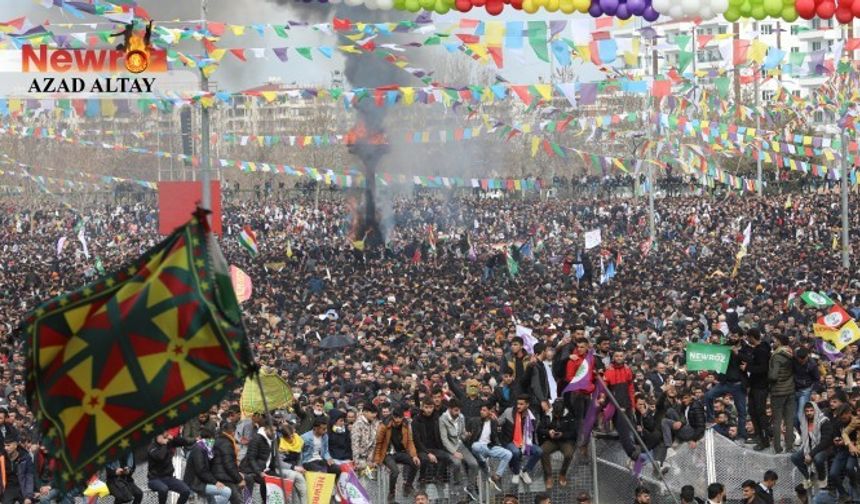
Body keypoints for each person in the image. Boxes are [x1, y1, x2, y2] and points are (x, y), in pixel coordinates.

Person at [704, 332, 749, 440]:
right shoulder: (725, 347)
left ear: (740, 337)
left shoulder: (745, 348)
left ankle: (741, 435)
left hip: (738, 385)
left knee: (742, 412)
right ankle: (710, 420)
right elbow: (715, 354)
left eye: (735, 335)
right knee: (708, 395)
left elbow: (749, 359)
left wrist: (737, 353)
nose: (733, 337)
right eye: (731, 335)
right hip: (725, 383)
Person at [373, 407, 419, 502]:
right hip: (387, 453)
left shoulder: (406, 424)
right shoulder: (383, 425)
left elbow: (410, 441)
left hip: (400, 452)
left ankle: (408, 486)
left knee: (416, 463)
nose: (398, 423)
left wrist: (414, 455)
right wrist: (377, 459)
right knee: (395, 471)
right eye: (396, 421)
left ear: (402, 418)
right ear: (393, 417)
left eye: (400, 421)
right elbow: (378, 444)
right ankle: (391, 492)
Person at [604, 350, 641, 462]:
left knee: (633, 429)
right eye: (617, 355)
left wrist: (633, 405)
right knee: (623, 430)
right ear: (613, 357)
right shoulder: (609, 372)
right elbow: (604, 391)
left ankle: (636, 461)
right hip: (616, 406)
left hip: (627, 404)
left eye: (621, 356)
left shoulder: (627, 370)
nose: (619, 357)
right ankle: (632, 455)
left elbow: (630, 389)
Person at [438, 398, 479, 498]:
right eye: (456, 410)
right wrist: (454, 452)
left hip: (460, 445)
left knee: (474, 464)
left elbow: (461, 434)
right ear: (450, 409)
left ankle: (470, 487)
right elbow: (444, 439)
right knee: (457, 463)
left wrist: (467, 435)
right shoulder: (442, 419)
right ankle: (457, 484)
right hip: (448, 448)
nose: (458, 412)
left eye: (459, 410)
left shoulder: (461, 417)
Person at [500, 395, 543, 486]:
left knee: (539, 451)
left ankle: (525, 471)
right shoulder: (509, 411)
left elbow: (533, 431)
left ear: (527, 405)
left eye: (521, 404)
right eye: (518, 403)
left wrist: (526, 442)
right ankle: (516, 472)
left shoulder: (532, 416)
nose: (518, 406)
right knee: (515, 452)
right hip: (510, 441)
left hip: (525, 442)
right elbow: (499, 422)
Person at [468, 402, 511, 491]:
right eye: (481, 410)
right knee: (474, 446)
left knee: (508, 454)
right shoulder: (476, 421)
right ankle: (483, 461)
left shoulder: (494, 422)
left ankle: (496, 477)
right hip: (479, 447)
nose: (481, 412)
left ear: (489, 412)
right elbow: (469, 432)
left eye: (484, 410)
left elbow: (499, 436)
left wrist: (497, 423)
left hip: (489, 447)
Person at [183, 426, 233, 504]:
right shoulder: (198, 449)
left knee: (228, 500)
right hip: (196, 484)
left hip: (203, 482)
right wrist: (215, 482)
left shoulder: (207, 449)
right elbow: (201, 471)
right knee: (226, 492)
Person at [791, 402, 832, 489]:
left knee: (818, 458)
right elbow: (805, 438)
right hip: (809, 446)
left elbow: (825, 441)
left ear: (815, 410)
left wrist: (810, 454)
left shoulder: (824, 421)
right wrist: (807, 451)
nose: (809, 413)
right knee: (795, 457)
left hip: (824, 448)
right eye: (807, 411)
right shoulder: (804, 421)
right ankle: (808, 477)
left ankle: (822, 478)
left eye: (811, 410)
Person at [412, 397, 450, 487]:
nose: (429, 410)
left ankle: (438, 477)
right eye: (426, 407)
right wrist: (428, 453)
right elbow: (417, 440)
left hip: (435, 448)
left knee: (446, 456)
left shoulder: (437, 419)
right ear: (422, 407)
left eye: (431, 407)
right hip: (422, 449)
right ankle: (422, 478)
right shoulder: (416, 420)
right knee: (424, 459)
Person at [146, 431, 192, 504]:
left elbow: (184, 442)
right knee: (164, 489)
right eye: (161, 436)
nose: (163, 438)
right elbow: (160, 457)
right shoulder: (152, 447)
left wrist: (173, 437)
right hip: (154, 479)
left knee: (186, 490)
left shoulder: (168, 443)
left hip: (168, 478)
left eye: (164, 435)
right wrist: (165, 444)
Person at [744, 329, 771, 451]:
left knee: (760, 414)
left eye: (748, 337)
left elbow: (763, 368)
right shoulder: (758, 349)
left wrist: (748, 367)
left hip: (761, 387)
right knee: (752, 412)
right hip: (754, 387)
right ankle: (758, 436)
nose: (747, 339)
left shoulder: (762, 350)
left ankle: (765, 440)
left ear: (752, 337)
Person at [540, 400, 576, 488]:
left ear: (563, 410)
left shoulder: (569, 415)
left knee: (569, 454)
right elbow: (540, 429)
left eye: (559, 414)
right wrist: (548, 432)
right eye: (555, 414)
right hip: (552, 440)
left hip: (565, 441)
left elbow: (574, 433)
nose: (557, 416)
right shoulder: (548, 415)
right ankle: (548, 476)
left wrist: (563, 434)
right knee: (542, 451)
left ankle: (562, 474)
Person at [768, 335, 795, 454]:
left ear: (779, 342)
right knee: (789, 420)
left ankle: (777, 448)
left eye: (775, 341)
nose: (773, 342)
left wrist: (768, 377)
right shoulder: (791, 354)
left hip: (778, 392)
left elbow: (773, 376)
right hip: (790, 390)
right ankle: (789, 446)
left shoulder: (777, 356)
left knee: (777, 421)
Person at [211, 421, 246, 504]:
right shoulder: (226, 443)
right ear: (233, 432)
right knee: (238, 500)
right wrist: (239, 479)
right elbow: (229, 464)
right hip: (223, 477)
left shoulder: (220, 439)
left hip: (220, 474)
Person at [241, 422, 275, 503]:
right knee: (261, 486)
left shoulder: (273, 439)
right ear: (266, 428)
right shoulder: (257, 438)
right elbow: (251, 458)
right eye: (272, 430)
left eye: (275, 430)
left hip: (265, 469)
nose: (273, 432)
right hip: (252, 470)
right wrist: (259, 472)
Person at [1, 430, 34, 504]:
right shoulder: (2, 458)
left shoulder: (25, 457)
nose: (6, 448)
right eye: (4, 445)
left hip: (22, 487)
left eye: (8, 445)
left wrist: (28, 496)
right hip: (8, 488)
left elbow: (29, 476)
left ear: (15, 445)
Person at [793, 347, 820, 427]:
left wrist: (814, 391)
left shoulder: (812, 364)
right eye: (799, 359)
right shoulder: (793, 360)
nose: (801, 361)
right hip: (793, 389)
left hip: (805, 390)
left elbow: (816, 379)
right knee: (793, 416)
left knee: (800, 415)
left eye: (803, 359)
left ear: (807, 356)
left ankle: (802, 434)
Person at [351, 404, 380, 472]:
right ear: (365, 412)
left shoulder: (373, 423)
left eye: (375, 413)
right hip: (359, 460)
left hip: (369, 459)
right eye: (372, 413)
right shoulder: (358, 424)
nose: (374, 415)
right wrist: (356, 462)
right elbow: (355, 444)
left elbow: (373, 443)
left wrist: (370, 460)